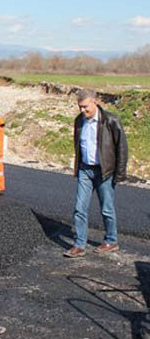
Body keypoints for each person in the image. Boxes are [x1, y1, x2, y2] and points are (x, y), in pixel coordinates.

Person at [64, 89, 128, 258]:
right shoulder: (79, 121)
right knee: (79, 208)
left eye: (85, 107)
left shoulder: (111, 120)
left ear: (95, 102)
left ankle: (111, 240)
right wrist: (77, 167)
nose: (82, 111)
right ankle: (79, 245)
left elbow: (122, 148)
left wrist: (119, 173)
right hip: (85, 169)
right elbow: (78, 145)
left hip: (105, 171)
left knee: (106, 208)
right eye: (79, 107)